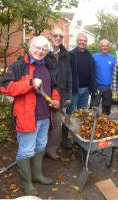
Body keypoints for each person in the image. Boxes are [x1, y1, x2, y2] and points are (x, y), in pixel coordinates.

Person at [0, 36, 61, 195]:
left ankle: (38, 175)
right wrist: (30, 84)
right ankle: (26, 182)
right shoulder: (20, 65)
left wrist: (55, 99)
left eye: (44, 49)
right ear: (30, 46)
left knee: (40, 147)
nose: (41, 51)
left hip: (44, 116)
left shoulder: (47, 64)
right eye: (37, 47)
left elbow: (51, 87)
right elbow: (5, 87)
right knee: (26, 151)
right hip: (27, 117)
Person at [62, 33, 96, 146]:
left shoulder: (89, 56)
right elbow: (66, 74)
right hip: (74, 90)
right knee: (70, 115)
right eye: (80, 40)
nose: (82, 42)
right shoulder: (71, 55)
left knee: (82, 116)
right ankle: (65, 138)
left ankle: (79, 138)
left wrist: (92, 88)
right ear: (77, 41)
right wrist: (67, 92)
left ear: (87, 42)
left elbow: (92, 73)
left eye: (85, 41)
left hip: (86, 90)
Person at [45, 27, 72, 158]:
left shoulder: (65, 55)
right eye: (55, 35)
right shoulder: (44, 52)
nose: (58, 38)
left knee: (56, 124)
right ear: (50, 36)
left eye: (61, 36)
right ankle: (41, 148)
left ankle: (52, 149)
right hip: (44, 95)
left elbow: (69, 75)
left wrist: (68, 95)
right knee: (44, 123)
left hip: (60, 95)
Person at [90, 39, 116, 115]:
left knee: (106, 109)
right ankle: (92, 125)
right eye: (103, 46)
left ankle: (103, 126)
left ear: (109, 47)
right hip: (97, 87)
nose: (105, 47)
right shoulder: (94, 57)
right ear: (100, 47)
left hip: (109, 88)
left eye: (106, 46)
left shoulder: (113, 58)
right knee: (93, 108)